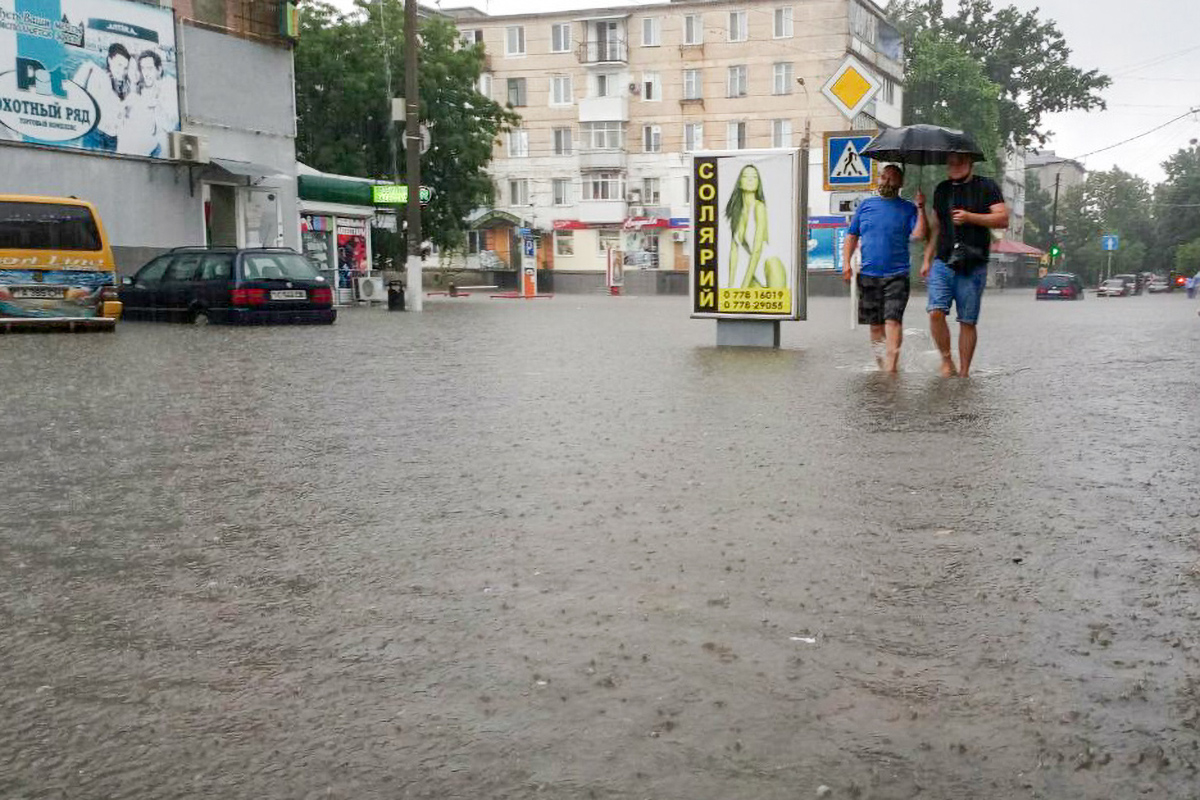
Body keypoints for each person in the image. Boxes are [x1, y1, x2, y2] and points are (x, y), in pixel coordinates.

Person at [921, 152, 1009, 377]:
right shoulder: (941, 189)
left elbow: (1002, 219)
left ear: (970, 162)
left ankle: (964, 373)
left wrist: (971, 217)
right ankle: (947, 361)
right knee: (935, 312)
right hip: (943, 261)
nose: (954, 166)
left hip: (974, 263)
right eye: (950, 162)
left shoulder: (987, 186)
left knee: (967, 321)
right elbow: (936, 227)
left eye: (959, 162)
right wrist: (926, 258)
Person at [842, 164, 928, 372]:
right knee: (875, 325)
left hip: (897, 274)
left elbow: (918, 235)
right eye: (883, 177)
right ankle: (881, 367)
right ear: (878, 180)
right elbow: (852, 235)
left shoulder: (908, 207)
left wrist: (921, 208)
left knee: (892, 321)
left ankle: (891, 370)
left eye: (891, 178)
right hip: (869, 274)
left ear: (900, 183)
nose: (886, 181)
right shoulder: (866, 206)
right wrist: (846, 262)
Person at [725, 165, 786, 289]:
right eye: (746, 176)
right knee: (750, 308)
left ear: (758, 183)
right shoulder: (737, 212)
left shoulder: (759, 207)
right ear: (740, 182)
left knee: (775, 307)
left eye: (754, 177)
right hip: (753, 268)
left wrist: (743, 286)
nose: (750, 180)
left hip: (769, 265)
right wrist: (730, 287)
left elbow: (757, 249)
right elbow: (734, 252)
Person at [73, 44, 132, 152]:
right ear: (110, 60)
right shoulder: (98, 74)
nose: (121, 71)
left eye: (125, 67)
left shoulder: (124, 85)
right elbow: (76, 90)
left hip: (112, 138)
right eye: (119, 65)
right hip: (95, 134)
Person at [122, 50, 178, 157]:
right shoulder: (140, 92)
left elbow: (170, 125)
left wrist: (157, 105)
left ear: (159, 70)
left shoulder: (169, 86)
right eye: (143, 69)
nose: (146, 73)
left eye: (150, 69)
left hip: (163, 155)